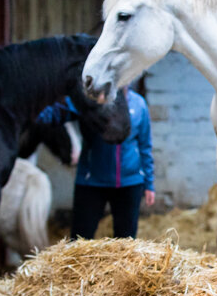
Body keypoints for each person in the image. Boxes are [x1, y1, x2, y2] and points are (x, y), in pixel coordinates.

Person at [37, 87, 155, 239]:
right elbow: (55, 114)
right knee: (80, 239)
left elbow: (145, 145)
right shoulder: (89, 100)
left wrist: (149, 184)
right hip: (91, 181)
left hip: (129, 183)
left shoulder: (138, 104)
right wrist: (30, 109)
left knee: (126, 242)